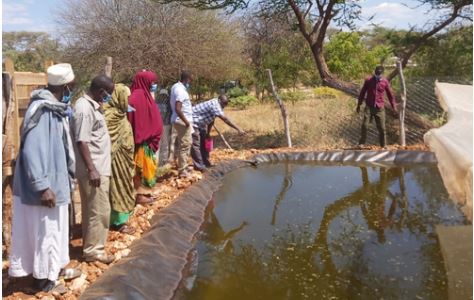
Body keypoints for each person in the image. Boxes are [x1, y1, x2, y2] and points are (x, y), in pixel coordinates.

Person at [9, 63, 80, 293]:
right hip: (45, 187)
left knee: (53, 231)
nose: (74, 88)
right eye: (73, 85)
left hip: (55, 182)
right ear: (65, 85)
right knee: (45, 233)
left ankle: (53, 270)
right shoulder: (42, 110)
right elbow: (32, 150)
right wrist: (42, 186)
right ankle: (43, 280)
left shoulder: (54, 107)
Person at [71, 75, 115, 264]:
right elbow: (82, 141)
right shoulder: (83, 108)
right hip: (94, 169)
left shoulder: (93, 106)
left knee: (94, 209)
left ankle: (91, 246)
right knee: (99, 210)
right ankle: (94, 252)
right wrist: (92, 169)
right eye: (108, 94)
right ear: (100, 92)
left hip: (99, 167)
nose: (109, 98)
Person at [104, 84, 136, 235]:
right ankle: (117, 222)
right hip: (115, 161)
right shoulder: (109, 116)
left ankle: (121, 218)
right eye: (126, 97)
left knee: (124, 185)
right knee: (116, 187)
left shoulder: (121, 114)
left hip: (125, 159)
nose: (128, 101)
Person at [128, 70, 163, 204]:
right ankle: (140, 195)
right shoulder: (134, 99)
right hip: (140, 142)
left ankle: (145, 194)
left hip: (148, 141)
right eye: (152, 82)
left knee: (147, 168)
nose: (153, 85)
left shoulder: (146, 96)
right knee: (140, 170)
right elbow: (132, 120)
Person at [191, 95, 245, 171]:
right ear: (219, 100)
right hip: (193, 122)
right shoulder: (215, 104)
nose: (223, 106)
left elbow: (211, 120)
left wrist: (208, 133)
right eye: (223, 104)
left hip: (201, 124)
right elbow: (225, 119)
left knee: (204, 143)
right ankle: (199, 166)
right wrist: (238, 128)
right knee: (196, 144)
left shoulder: (218, 105)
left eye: (225, 105)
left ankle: (206, 163)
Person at [357, 66, 397, 148]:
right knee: (365, 125)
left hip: (380, 108)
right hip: (369, 106)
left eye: (379, 74)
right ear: (375, 72)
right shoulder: (369, 81)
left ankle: (383, 145)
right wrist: (359, 104)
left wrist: (394, 107)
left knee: (382, 128)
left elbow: (390, 95)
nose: (378, 75)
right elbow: (362, 93)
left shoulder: (385, 82)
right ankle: (361, 143)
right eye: (376, 73)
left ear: (382, 73)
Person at [170, 71, 193, 177]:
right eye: (190, 80)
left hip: (178, 120)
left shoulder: (175, 86)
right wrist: (186, 122)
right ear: (187, 79)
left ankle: (183, 165)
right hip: (182, 121)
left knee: (183, 144)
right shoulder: (180, 91)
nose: (190, 82)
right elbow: (178, 108)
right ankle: (182, 170)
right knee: (185, 145)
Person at [155, 88, 172, 167]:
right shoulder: (168, 102)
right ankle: (163, 162)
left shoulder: (155, 102)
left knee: (157, 144)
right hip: (166, 125)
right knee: (165, 144)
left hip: (157, 125)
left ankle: (156, 162)